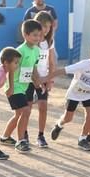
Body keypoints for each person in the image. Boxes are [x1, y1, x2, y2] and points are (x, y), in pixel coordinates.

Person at [0, 20, 43, 153]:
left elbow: (34, 67)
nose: (37, 38)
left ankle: (5, 137)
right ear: (25, 34)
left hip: (24, 87)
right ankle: (21, 141)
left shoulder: (37, 50)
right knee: (25, 111)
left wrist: (37, 82)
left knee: (19, 114)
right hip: (15, 86)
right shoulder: (19, 51)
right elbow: (11, 70)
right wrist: (11, 87)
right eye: (34, 35)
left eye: (39, 35)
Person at [30, 11, 57, 147]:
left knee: (43, 107)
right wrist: (36, 80)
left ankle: (40, 135)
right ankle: (23, 135)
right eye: (42, 25)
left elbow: (51, 62)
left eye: (48, 26)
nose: (45, 29)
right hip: (29, 79)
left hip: (43, 79)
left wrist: (50, 80)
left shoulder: (49, 41)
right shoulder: (31, 41)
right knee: (26, 109)